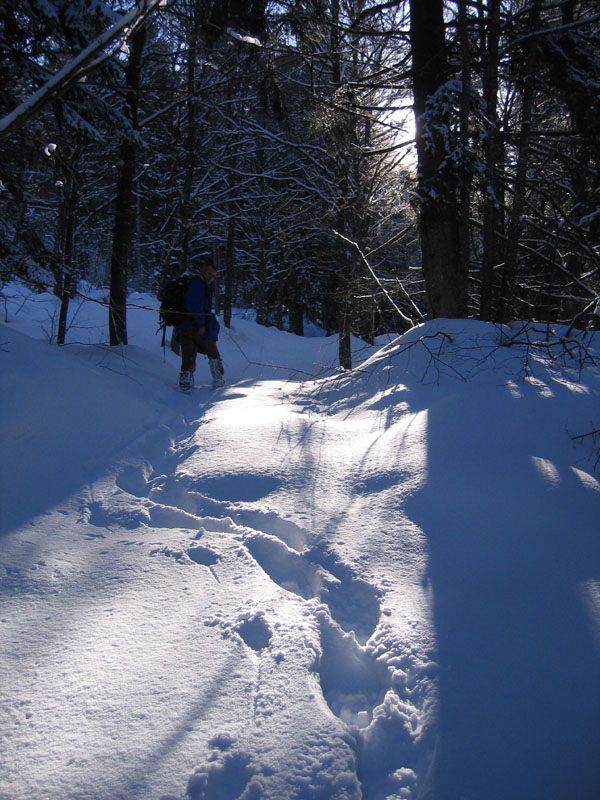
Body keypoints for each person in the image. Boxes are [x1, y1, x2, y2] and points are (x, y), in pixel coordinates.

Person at [173, 263, 225, 390]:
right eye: (209, 273)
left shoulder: (199, 284)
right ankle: (218, 380)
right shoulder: (197, 283)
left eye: (213, 276)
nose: (211, 278)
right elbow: (194, 304)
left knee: (189, 352)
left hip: (185, 326)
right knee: (211, 351)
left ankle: (186, 383)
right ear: (202, 270)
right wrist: (201, 324)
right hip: (193, 325)